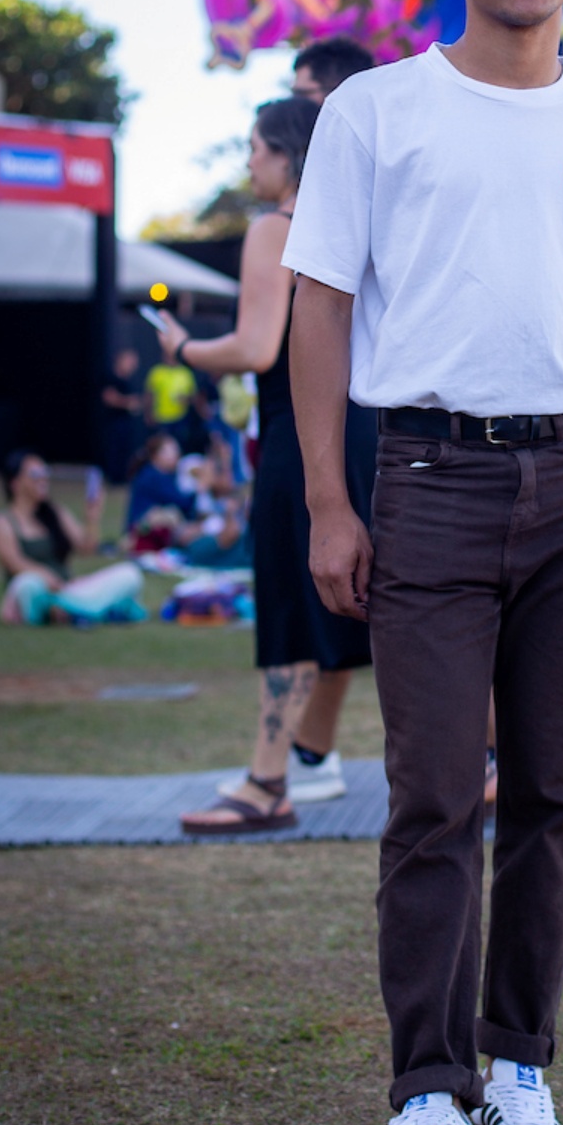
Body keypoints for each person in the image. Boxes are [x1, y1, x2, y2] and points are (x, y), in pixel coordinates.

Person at [282, 0, 563, 1125]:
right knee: (434, 794)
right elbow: (318, 305)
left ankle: (518, 1070)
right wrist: (332, 500)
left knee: (558, 794)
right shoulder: (378, 113)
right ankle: (426, 1095)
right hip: (431, 481)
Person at [168, 88, 376, 833]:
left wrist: (185, 348)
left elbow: (257, 348)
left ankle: (266, 782)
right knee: (397, 600)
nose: (249, 161)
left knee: (293, 600)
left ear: (288, 158)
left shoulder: (272, 230)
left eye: (256, 148)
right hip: (376, 427)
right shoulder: (362, 218)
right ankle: (484, 759)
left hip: (303, 431)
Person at [0, 452, 144, 625]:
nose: (43, 478)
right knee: (27, 584)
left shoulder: (55, 513)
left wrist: (92, 517)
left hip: (66, 590)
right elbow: (14, 562)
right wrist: (46, 577)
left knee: (130, 574)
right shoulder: (3, 521)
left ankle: (68, 611)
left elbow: (86, 549)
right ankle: (92, 611)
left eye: (45, 472)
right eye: (35, 474)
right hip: (34, 591)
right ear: (15, 483)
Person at [100, 348, 144, 485]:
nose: (133, 366)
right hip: (114, 422)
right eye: (130, 361)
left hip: (126, 422)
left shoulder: (128, 380)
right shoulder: (111, 377)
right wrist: (128, 402)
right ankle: (113, 480)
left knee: (125, 451)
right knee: (114, 451)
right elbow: (109, 398)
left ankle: (121, 479)